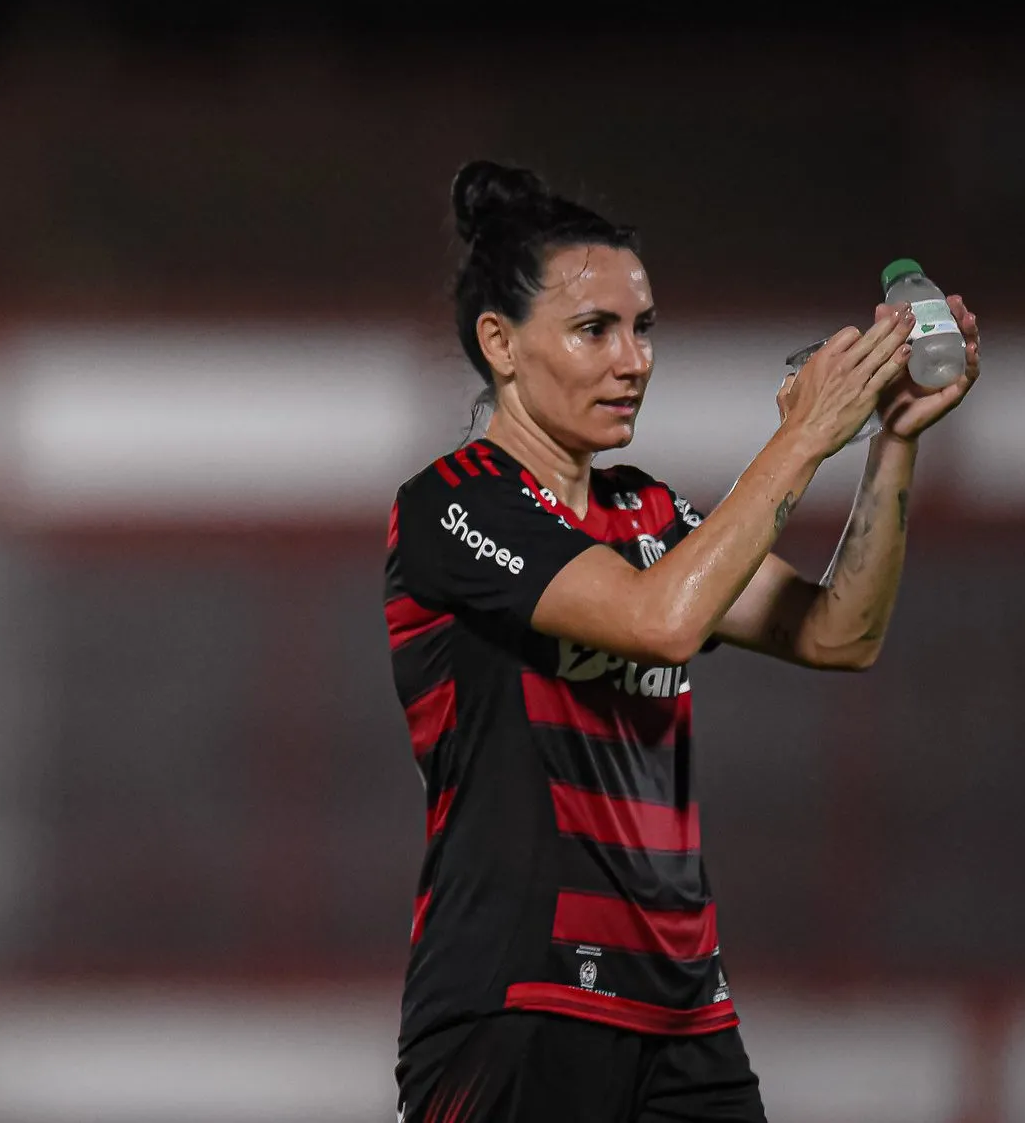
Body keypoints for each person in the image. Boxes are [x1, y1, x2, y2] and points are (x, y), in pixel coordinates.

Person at [385, 161, 980, 1122]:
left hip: (681, 1015)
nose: (633, 359)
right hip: (518, 1000)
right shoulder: (453, 504)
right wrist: (802, 438)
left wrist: (889, 440)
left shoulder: (648, 512)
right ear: (499, 343)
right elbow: (660, 620)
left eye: (643, 326)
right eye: (594, 329)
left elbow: (840, 634)